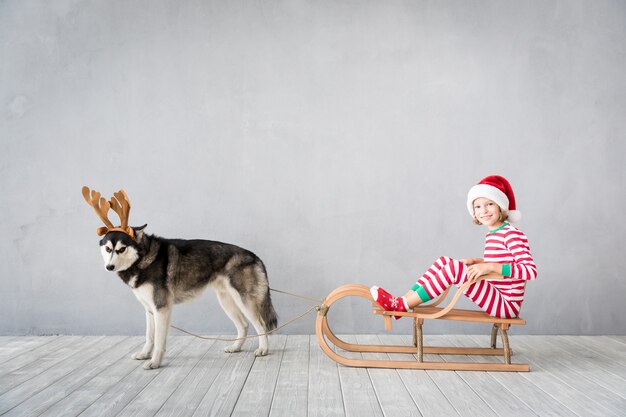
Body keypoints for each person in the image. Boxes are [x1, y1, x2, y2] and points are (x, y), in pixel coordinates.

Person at [371, 175, 537, 319]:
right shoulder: (494, 233)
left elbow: (530, 270)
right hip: (496, 293)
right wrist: (477, 261)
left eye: (490, 204)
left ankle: (401, 305)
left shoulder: (512, 234)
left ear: (501, 206)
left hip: (506, 305)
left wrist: (490, 265)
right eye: (478, 206)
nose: (483, 210)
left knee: (453, 270)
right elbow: (502, 261)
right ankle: (405, 299)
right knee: (445, 261)